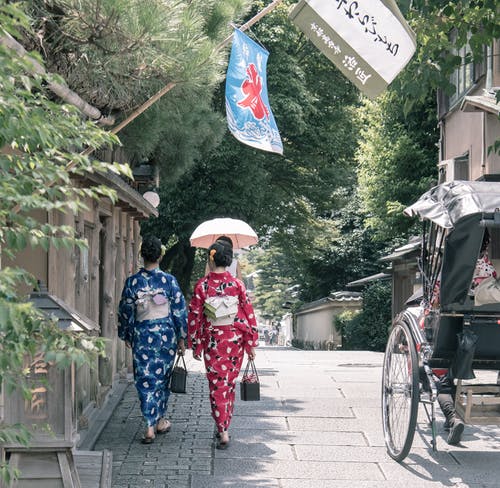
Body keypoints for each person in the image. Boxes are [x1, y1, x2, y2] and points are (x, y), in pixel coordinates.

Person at [188, 239, 258, 449]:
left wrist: (195, 343)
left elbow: (194, 316)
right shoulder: (237, 285)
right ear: (228, 261)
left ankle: (222, 428)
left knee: (217, 385)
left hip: (213, 340)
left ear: (211, 260)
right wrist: (251, 343)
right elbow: (248, 312)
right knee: (228, 384)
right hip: (235, 339)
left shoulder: (203, 285)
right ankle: (225, 425)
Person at [118, 235, 187, 444]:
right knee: (163, 379)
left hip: (142, 335)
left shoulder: (133, 282)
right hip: (165, 336)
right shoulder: (168, 281)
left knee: (145, 379)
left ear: (142, 255)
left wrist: (127, 334)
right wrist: (182, 337)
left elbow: (125, 311)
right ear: (161, 255)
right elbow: (179, 311)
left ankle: (150, 424)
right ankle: (160, 419)